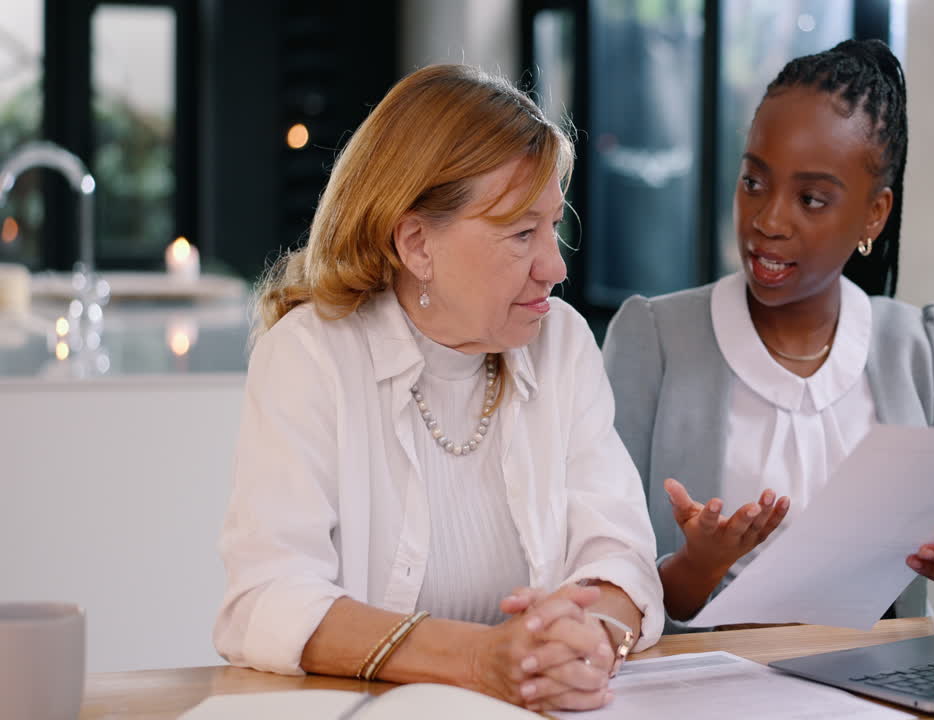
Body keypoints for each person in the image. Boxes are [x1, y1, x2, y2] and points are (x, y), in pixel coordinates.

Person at [214, 65, 662, 713]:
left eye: (553, 226)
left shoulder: (561, 341)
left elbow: (620, 555)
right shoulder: (311, 354)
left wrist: (584, 642)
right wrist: (480, 660)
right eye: (521, 233)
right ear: (418, 244)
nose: (555, 266)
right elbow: (267, 598)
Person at [602, 39, 934, 626]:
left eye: (810, 199)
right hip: (710, 674)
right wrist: (696, 568)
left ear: (874, 214)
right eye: (754, 183)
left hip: (881, 677)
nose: (768, 220)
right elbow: (601, 570)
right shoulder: (654, 339)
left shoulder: (919, 348)